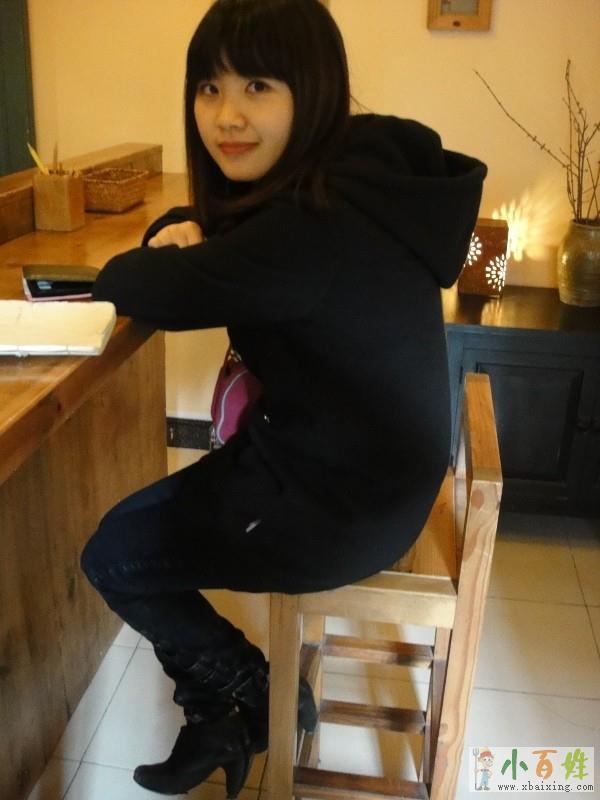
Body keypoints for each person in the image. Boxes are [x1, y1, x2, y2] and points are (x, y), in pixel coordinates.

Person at [80, 0, 487, 796]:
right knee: (134, 537)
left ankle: (256, 692)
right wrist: (191, 228)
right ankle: (218, 715)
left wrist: (172, 242)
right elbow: (225, 240)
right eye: (209, 87)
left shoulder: (309, 232)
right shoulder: (355, 177)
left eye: (257, 86)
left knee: (113, 556)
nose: (226, 115)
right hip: (365, 475)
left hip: (340, 508)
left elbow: (126, 283)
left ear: (313, 89)